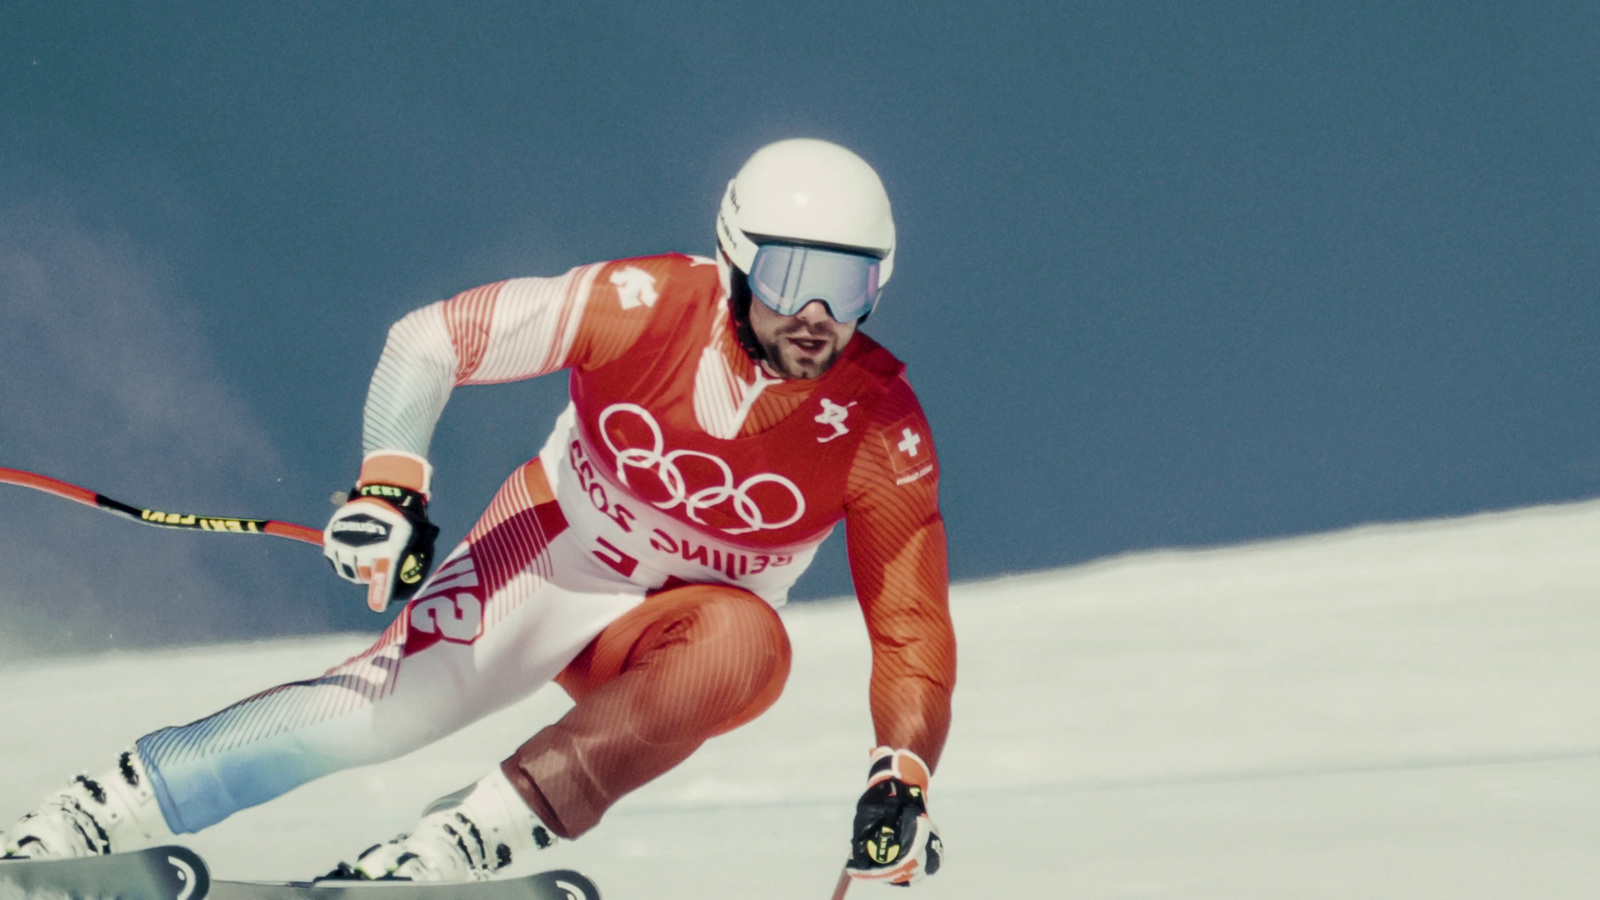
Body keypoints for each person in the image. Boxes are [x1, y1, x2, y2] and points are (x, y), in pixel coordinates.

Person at [1, 138, 956, 887]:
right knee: (382, 711)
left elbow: (910, 626)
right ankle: (99, 812)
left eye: (853, 285)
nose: (818, 316)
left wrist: (900, 772)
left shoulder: (879, 427)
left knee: (750, 648)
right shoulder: (646, 305)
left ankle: (458, 846)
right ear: (737, 260)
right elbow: (432, 340)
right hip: (549, 556)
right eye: (794, 277)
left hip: (670, 643)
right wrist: (390, 484)